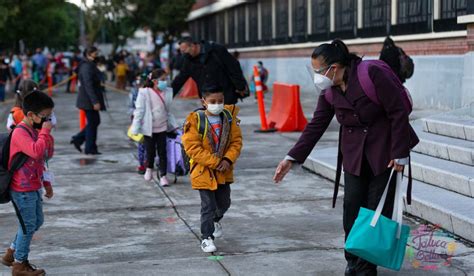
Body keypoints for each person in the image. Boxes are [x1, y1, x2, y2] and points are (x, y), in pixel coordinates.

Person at [273, 39, 419, 276]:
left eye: (319, 70)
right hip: (354, 155)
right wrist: (291, 157)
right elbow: (316, 124)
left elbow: (398, 112)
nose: (317, 76)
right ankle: (353, 259)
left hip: (385, 152)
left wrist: (400, 153)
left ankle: (365, 266)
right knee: (352, 207)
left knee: (375, 211)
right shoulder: (330, 91)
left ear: (335, 67)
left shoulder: (370, 74)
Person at [181, 86, 243, 253]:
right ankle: (206, 237)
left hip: (224, 170)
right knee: (208, 205)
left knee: (224, 202)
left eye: (220, 101)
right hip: (203, 171)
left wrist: (228, 159)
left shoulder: (229, 118)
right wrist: (215, 162)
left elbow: (236, 142)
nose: (217, 105)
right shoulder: (195, 120)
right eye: (213, 102)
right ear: (204, 102)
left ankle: (216, 219)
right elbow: (192, 148)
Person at [1, 91, 55, 276]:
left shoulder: (34, 130)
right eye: (44, 116)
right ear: (31, 115)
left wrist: (46, 183)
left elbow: (46, 155)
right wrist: (45, 131)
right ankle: (19, 264)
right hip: (21, 189)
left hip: (33, 186)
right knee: (28, 226)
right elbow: (36, 152)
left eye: (49, 116)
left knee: (35, 222)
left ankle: (11, 253)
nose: (47, 120)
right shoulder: (20, 133)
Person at [130, 69, 175, 186]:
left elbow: (168, 111)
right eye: (163, 79)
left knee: (163, 152)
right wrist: (135, 127)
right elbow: (139, 110)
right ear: (155, 81)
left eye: (166, 79)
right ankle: (149, 168)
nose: (165, 82)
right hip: (149, 128)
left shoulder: (168, 92)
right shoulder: (145, 92)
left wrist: (174, 126)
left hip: (163, 127)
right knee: (150, 151)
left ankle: (163, 176)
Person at [172, 37, 248, 104]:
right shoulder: (188, 61)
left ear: (192, 46)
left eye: (184, 51)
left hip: (225, 96)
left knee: (227, 119)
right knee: (211, 120)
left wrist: (240, 86)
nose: (183, 54)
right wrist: (167, 97)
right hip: (207, 100)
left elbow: (233, 68)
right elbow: (180, 79)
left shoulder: (216, 50)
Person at [70, 46, 106, 155]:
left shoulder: (90, 64)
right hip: (88, 100)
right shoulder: (86, 67)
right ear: (89, 54)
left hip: (89, 99)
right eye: (95, 54)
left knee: (94, 122)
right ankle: (89, 147)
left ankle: (80, 141)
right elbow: (88, 85)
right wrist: (95, 101)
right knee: (93, 122)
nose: (97, 56)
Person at [128, 73, 147, 175]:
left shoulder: (149, 91)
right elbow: (131, 106)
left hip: (149, 121)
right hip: (139, 120)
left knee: (149, 144)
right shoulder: (134, 91)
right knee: (141, 144)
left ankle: (147, 162)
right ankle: (142, 164)